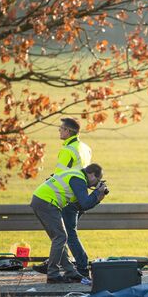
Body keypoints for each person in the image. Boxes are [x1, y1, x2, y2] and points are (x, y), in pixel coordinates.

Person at [34, 118, 92, 277]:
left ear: (68, 131)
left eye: (61, 129)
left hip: (66, 195)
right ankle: (63, 265)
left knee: (65, 235)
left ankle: (80, 267)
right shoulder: (85, 148)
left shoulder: (68, 150)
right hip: (79, 194)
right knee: (65, 234)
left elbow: (61, 175)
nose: (59, 131)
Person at [30, 164, 107, 283]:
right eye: (96, 181)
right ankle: (53, 275)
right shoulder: (78, 179)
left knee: (60, 238)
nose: (94, 184)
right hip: (46, 202)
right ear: (91, 174)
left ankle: (70, 271)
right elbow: (85, 203)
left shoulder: (76, 175)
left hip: (42, 200)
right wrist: (97, 193)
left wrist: (98, 198)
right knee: (61, 237)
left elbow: (82, 205)